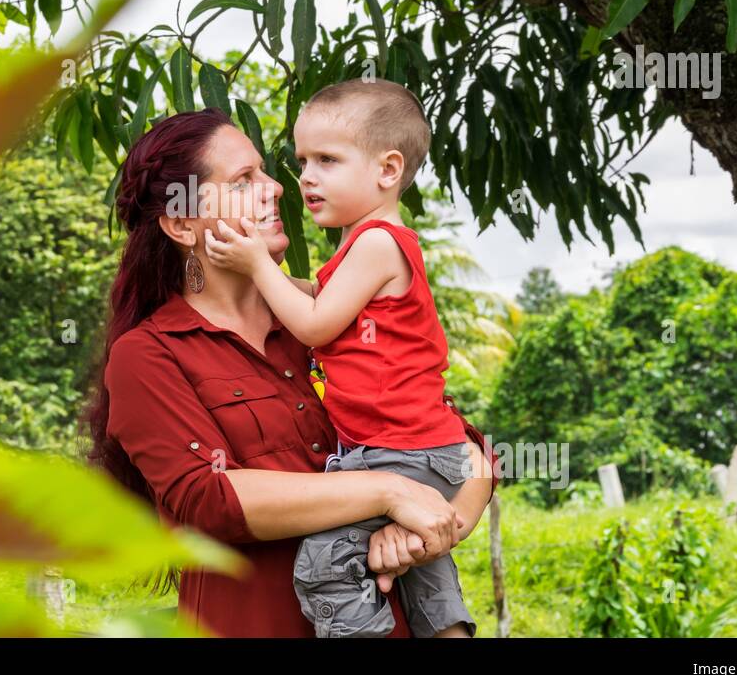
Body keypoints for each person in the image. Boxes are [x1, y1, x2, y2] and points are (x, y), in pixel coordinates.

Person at [83, 107, 497, 637]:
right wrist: (389, 492)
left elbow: (462, 448)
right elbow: (207, 498)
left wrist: (431, 531)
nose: (276, 187)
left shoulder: (330, 320)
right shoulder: (149, 355)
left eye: (265, 171)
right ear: (184, 222)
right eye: (243, 180)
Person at [204, 78, 480, 637]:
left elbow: (313, 324)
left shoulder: (377, 242)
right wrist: (267, 281)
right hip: (423, 447)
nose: (305, 176)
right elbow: (319, 301)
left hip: (401, 453)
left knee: (323, 564)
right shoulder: (367, 243)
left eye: (328, 159)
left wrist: (259, 267)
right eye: (303, 159)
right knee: (423, 568)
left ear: (387, 170)